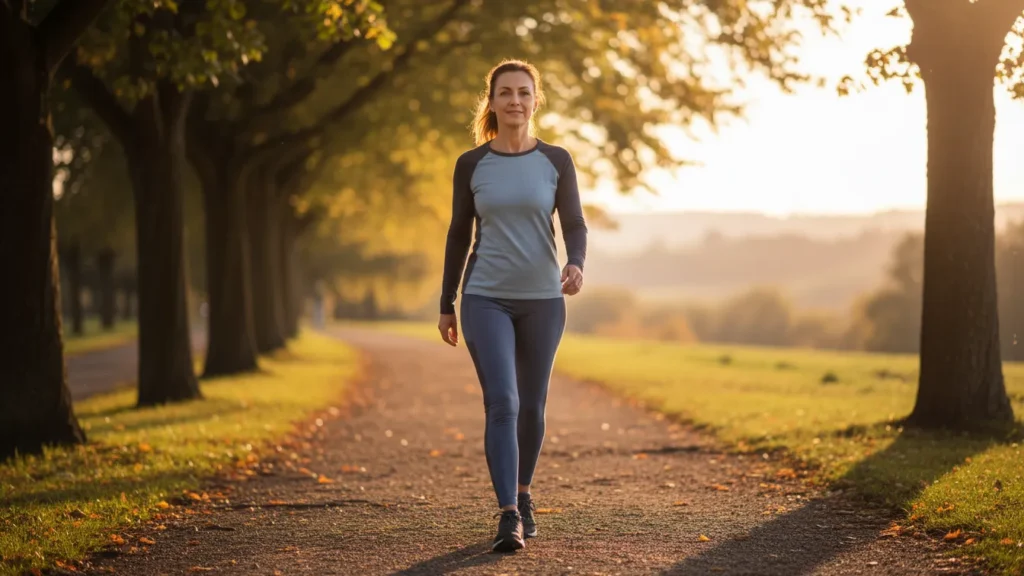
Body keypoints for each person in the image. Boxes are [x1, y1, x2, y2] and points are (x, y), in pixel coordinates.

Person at [437, 58, 587, 553]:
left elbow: (575, 224)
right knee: (503, 401)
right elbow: (459, 234)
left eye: (524, 92)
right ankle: (507, 515)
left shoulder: (557, 160)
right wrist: (447, 301)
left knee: (533, 406)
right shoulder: (472, 164)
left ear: (535, 100)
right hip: (486, 297)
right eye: (506, 93)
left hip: (544, 299)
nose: (515, 101)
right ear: (492, 101)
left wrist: (577, 263)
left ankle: (524, 495)